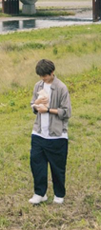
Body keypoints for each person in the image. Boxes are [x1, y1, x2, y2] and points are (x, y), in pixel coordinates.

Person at [29, 59, 71, 205]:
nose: (43, 78)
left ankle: (59, 194)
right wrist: (36, 106)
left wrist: (47, 110)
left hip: (57, 135)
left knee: (57, 167)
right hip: (39, 132)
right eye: (40, 76)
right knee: (37, 164)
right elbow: (33, 105)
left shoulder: (61, 88)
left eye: (45, 76)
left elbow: (67, 112)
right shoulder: (38, 86)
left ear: (52, 72)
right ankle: (40, 193)